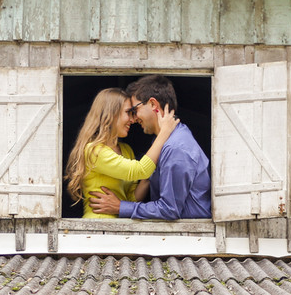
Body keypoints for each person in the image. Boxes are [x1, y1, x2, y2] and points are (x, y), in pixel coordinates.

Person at [88, 75, 211, 221]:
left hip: (190, 234)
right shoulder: (165, 142)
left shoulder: (176, 148)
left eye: (135, 110)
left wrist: (121, 207)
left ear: (153, 104)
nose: (134, 119)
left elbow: (169, 210)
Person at [65, 87, 178, 219]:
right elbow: (140, 170)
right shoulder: (95, 151)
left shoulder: (126, 150)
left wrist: (151, 173)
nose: (132, 120)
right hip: (98, 224)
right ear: (111, 114)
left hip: (120, 225)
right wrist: (165, 132)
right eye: (128, 113)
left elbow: (130, 199)